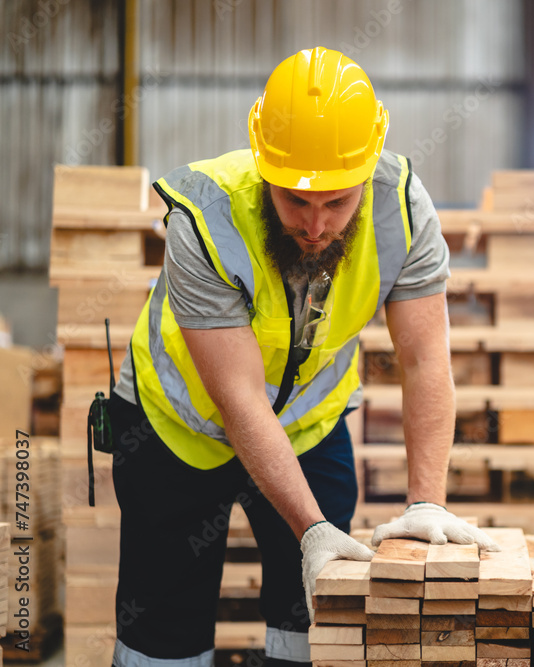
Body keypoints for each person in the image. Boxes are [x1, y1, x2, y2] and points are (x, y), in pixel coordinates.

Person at [106, 46, 498, 667]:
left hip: (308, 427)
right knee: (164, 632)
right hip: (174, 430)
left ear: (367, 174)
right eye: (295, 201)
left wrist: (427, 501)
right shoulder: (205, 219)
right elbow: (238, 399)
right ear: (264, 170)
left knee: (317, 621)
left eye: (337, 203)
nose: (316, 227)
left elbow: (425, 361)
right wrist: (310, 529)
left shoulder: (401, 209)